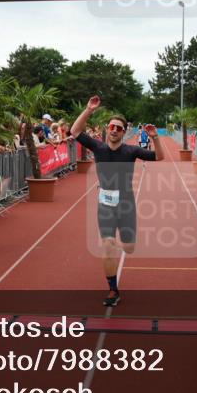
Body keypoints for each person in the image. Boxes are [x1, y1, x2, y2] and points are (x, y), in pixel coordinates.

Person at [71, 96, 164, 306]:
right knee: (107, 245)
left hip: (127, 204)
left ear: (123, 132)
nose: (114, 130)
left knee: (129, 247)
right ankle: (113, 289)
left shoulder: (131, 151)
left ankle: (122, 244)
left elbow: (159, 157)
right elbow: (75, 132)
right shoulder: (98, 148)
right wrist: (88, 110)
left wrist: (155, 137)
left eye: (119, 128)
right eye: (112, 126)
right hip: (105, 205)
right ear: (107, 129)